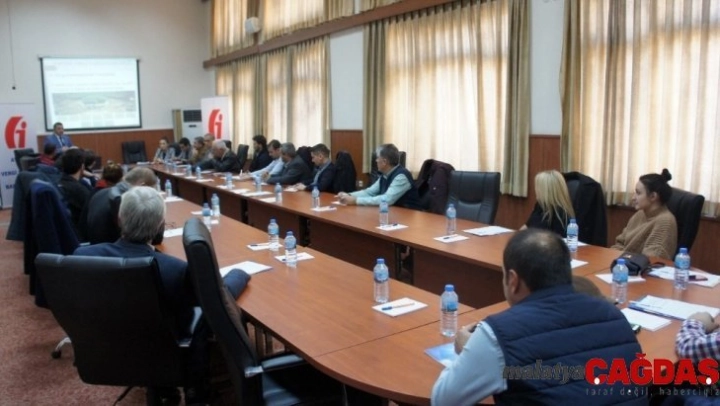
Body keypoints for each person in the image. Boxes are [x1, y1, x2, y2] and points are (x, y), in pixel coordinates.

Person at [432, 229, 643, 405]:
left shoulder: (499, 334)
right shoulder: (613, 315)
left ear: (513, 280)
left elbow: (442, 400)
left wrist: (469, 350)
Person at [611, 169, 677, 260]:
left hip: (638, 267)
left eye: (638, 193)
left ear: (653, 196)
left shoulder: (665, 221)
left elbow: (652, 259)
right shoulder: (640, 214)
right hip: (623, 263)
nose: (633, 198)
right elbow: (620, 243)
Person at [336, 143, 421, 209]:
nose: (376, 160)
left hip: (409, 215)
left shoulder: (401, 177)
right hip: (394, 213)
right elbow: (369, 192)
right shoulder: (385, 174)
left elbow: (387, 199)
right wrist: (348, 195)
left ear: (384, 162)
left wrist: (356, 200)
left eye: (377, 158)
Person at [520, 169, 575, 237]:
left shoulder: (560, 214)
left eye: (538, 187)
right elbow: (527, 226)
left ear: (547, 191)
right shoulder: (541, 205)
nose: (536, 190)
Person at [56, 148, 91, 237]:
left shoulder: (58, 183)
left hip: (67, 234)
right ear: (82, 166)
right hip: (81, 235)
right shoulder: (80, 190)